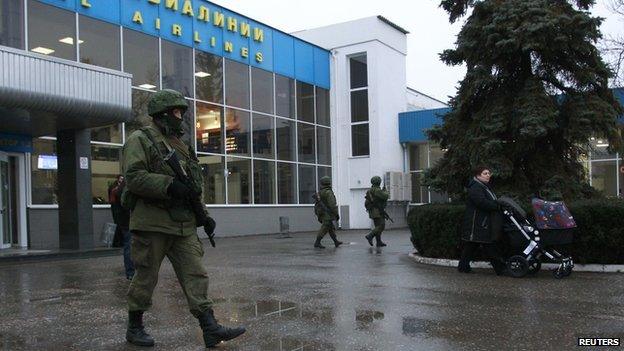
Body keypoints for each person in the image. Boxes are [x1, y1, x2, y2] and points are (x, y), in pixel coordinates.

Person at [122, 89, 245, 348]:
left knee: (196, 274)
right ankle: (135, 327)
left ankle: (209, 327)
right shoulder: (140, 139)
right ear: (163, 114)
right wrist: (168, 185)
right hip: (152, 222)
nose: (181, 117)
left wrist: (205, 216)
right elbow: (134, 177)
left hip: (183, 223)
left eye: (181, 112)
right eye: (177, 112)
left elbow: (192, 187)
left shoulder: (182, 145)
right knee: (145, 276)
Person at [458, 166, 506, 275]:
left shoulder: (484, 186)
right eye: (485, 173)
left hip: (481, 222)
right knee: (488, 244)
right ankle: (501, 269)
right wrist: (497, 206)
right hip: (477, 223)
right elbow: (481, 202)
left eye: (489, 173)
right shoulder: (476, 187)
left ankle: (463, 267)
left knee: (471, 245)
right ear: (478, 175)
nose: (488, 175)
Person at [110, 176, 134, 280]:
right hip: (128, 222)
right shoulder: (123, 188)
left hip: (125, 221)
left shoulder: (120, 189)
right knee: (129, 246)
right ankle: (131, 272)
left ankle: (131, 272)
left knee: (129, 246)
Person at [314, 176, 342, 248]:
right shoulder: (328, 192)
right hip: (327, 213)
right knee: (325, 227)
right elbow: (332, 205)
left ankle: (336, 241)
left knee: (330, 228)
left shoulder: (320, 192)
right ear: (329, 182)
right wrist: (336, 214)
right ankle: (317, 242)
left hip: (322, 212)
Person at [364, 176, 390, 247]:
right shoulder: (377, 190)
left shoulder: (371, 190)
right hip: (377, 210)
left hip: (373, 210)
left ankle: (378, 242)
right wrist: (385, 191)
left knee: (377, 226)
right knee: (381, 226)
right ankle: (370, 236)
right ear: (378, 182)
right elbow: (386, 196)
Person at [108, 175, 125, 247]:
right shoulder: (114, 187)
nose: (122, 180)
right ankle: (117, 242)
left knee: (119, 225)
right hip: (116, 207)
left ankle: (119, 241)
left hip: (118, 208)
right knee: (118, 225)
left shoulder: (118, 187)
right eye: (121, 179)